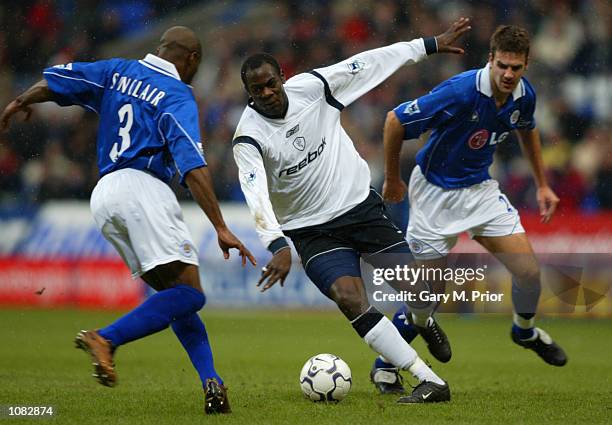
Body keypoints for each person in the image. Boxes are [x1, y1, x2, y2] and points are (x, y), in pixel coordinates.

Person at [0, 26, 255, 415]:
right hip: (143, 188)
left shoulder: (117, 70)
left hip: (104, 194)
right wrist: (220, 225)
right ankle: (106, 338)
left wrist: (21, 100)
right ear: (191, 60)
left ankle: (212, 383)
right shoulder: (176, 93)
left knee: (176, 296)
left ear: (159, 49)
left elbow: (59, 81)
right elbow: (193, 166)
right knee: (191, 294)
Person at [232, 18, 471, 404]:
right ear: (248, 94)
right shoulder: (248, 136)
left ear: (282, 76)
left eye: (271, 83)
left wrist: (425, 45)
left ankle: (419, 324)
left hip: (360, 209)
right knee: (349, 296)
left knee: (420, 288)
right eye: (257, 90)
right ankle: (429, 380)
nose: (267, 93)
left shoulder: (315, 87)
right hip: (311, 231)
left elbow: (370, 62)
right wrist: (275, 242)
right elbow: (254, 190)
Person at [381, 25, 567, 372]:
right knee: (426, 300)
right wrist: (393, 179)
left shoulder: (525, 95)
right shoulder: (460, 92)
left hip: (479, 191)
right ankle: (386, 363)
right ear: (491, 60)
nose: (509, 74)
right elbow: (394, 121)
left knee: (528, 272)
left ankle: (524, 332)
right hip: (434, 193)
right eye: (503, 66)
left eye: (516, 67)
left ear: (526, 64)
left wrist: (542, 184)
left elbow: (527, 129)